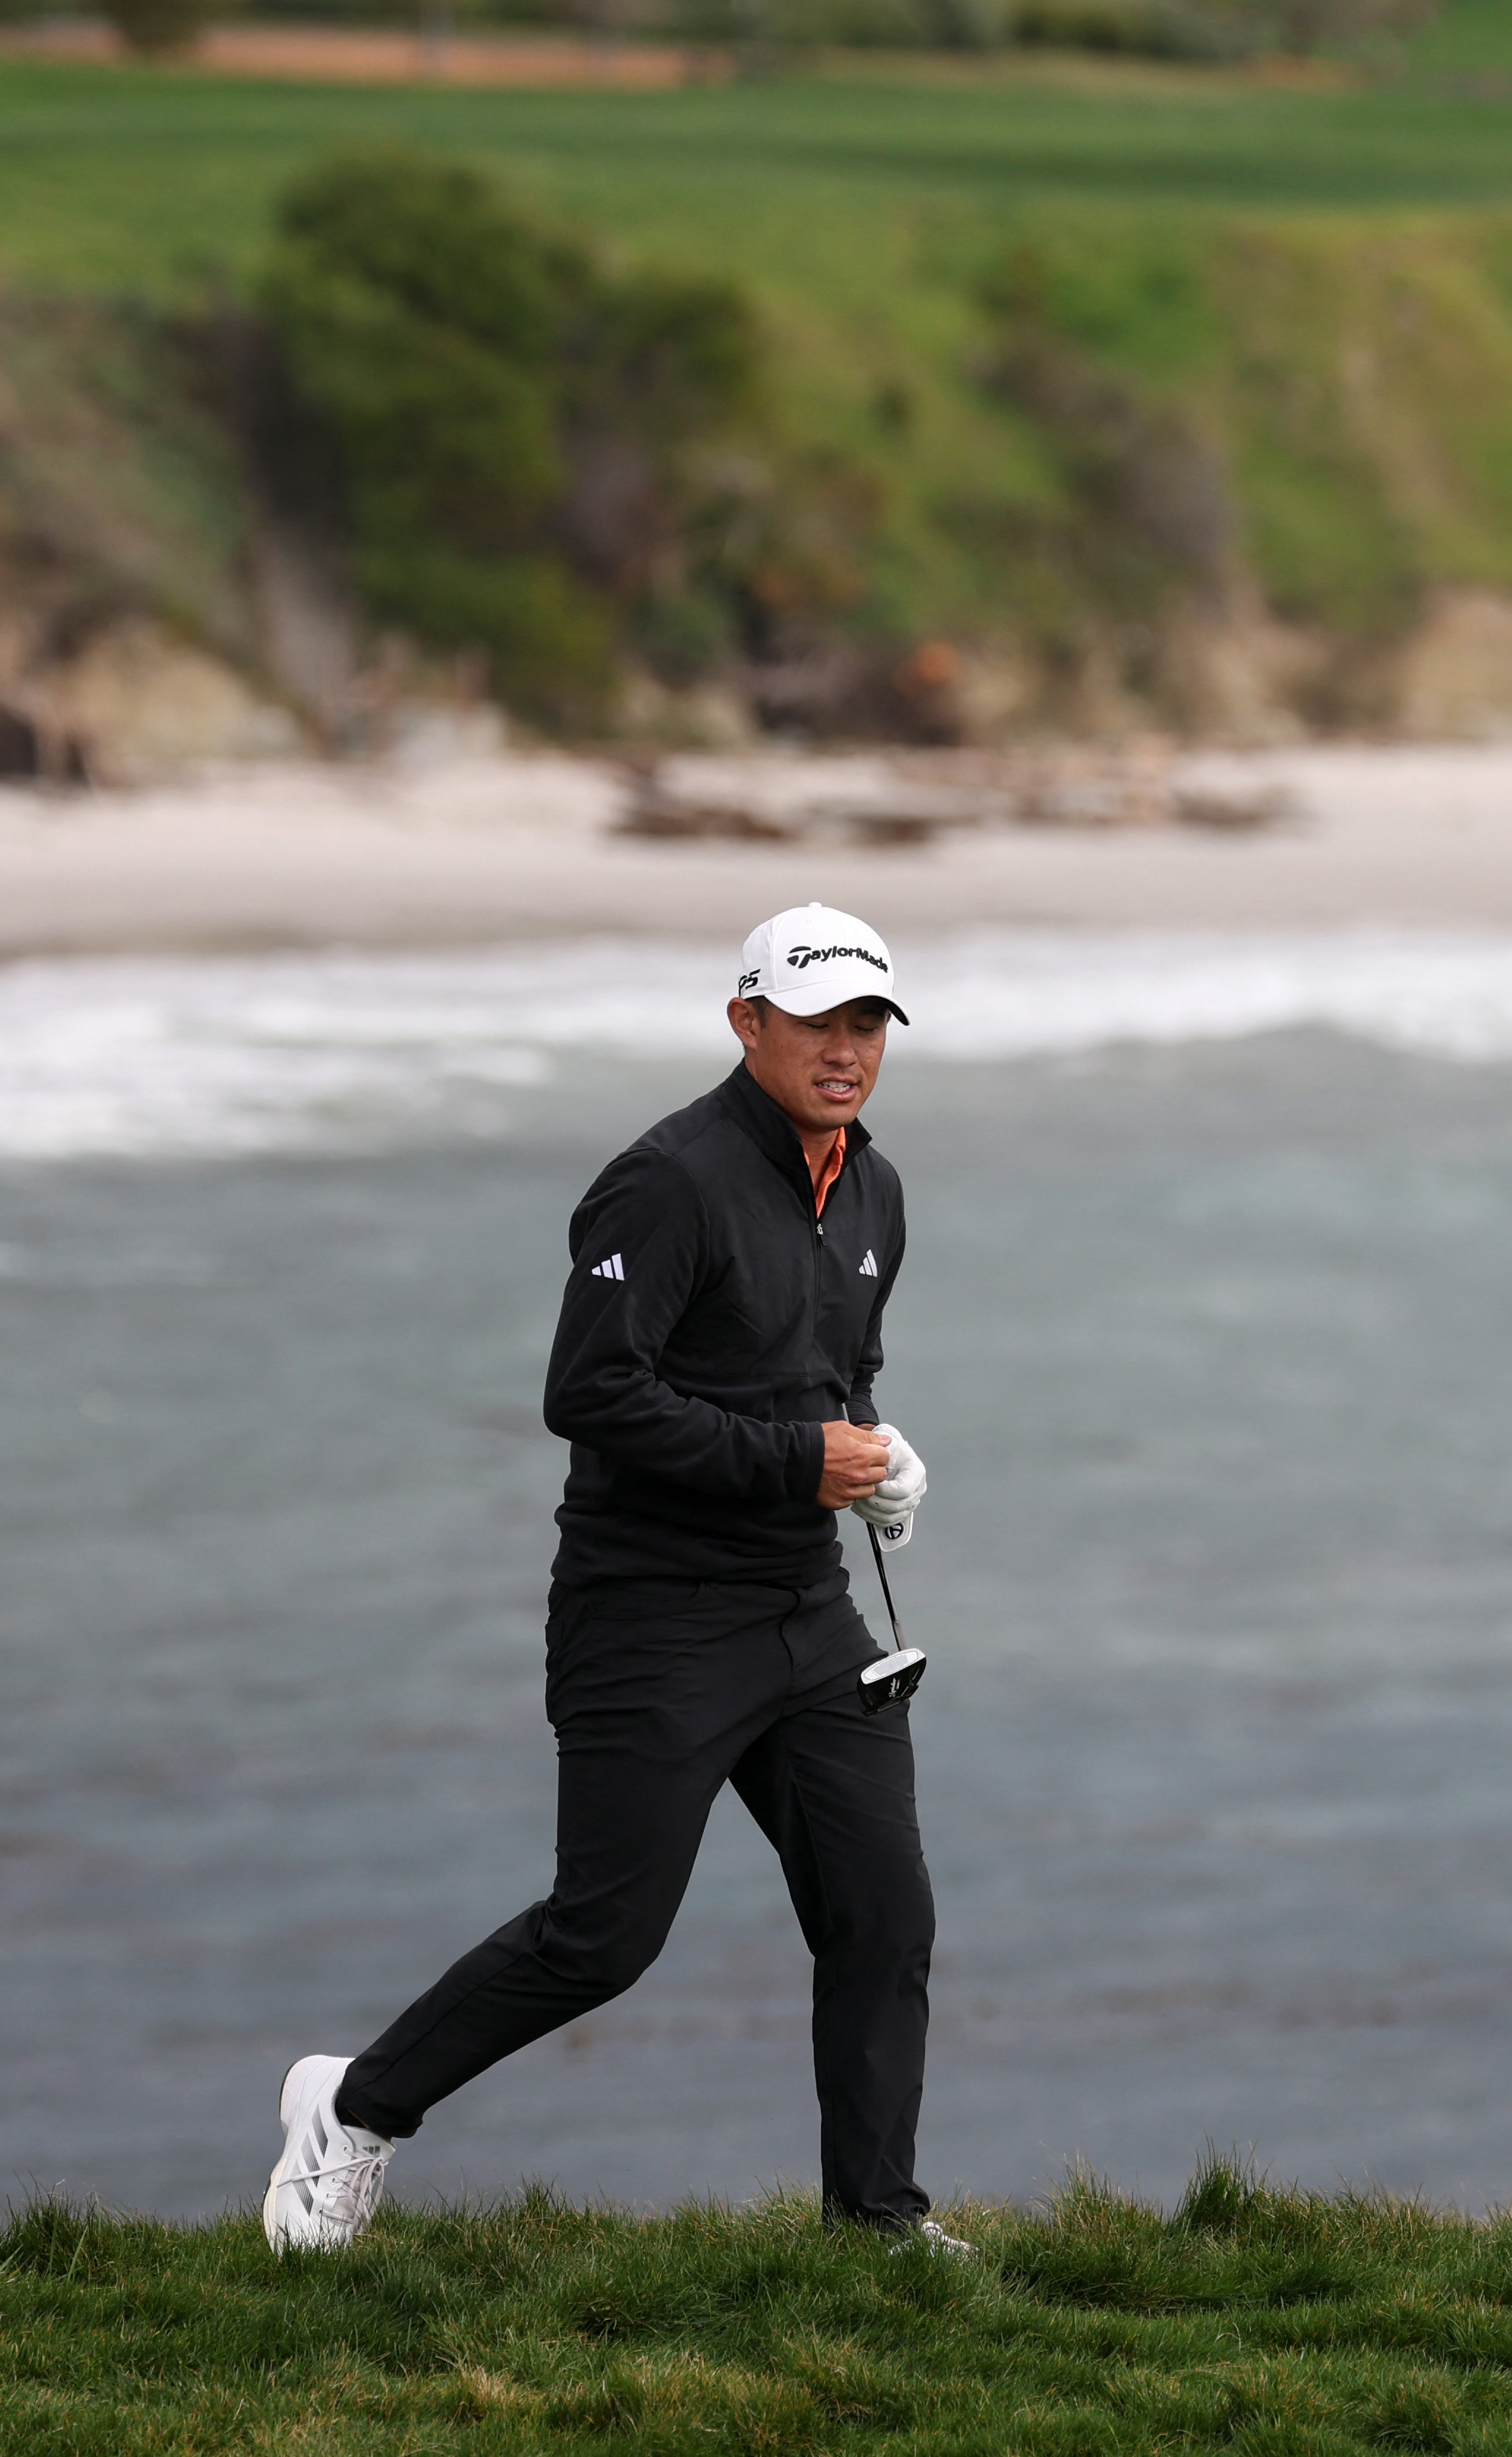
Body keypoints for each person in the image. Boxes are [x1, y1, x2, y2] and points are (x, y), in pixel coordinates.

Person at [263, 903, 956, 2252]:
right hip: (649, 1619)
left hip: (805, 1610)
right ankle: (353, 2107)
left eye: (868, 1022)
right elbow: (589, 1395)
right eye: (816, 1020)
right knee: (605, 1936)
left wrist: (878, 1451)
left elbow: (833, 1370)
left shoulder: (873, 1189)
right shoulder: (668, 1182)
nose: (846, 1049)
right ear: (748, 1020)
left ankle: (874, 2224)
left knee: (884, 1918)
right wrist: (796, 1458)